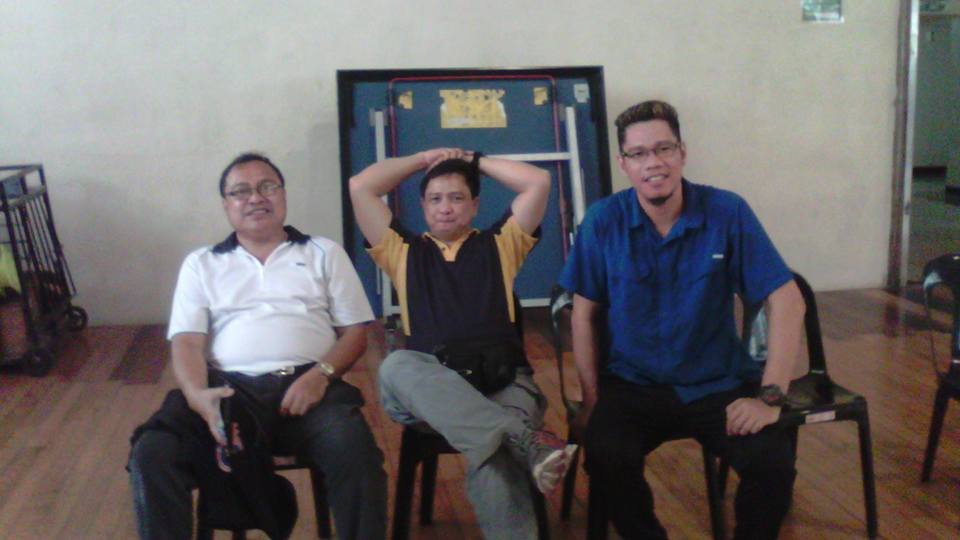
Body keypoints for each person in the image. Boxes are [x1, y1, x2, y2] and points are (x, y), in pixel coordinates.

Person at [559, 100, 806, 539]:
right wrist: (593, 402)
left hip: (717, 384)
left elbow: (788, 301)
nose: (653, 163)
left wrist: (770, 398)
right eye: (638, 153)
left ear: (682, 153)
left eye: (664, 148)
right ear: (623, 163)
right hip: (633, 385)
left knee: (773, 461)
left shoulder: (726, 211)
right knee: (605, 456)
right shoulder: (603, 221)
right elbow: (584, 316)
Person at [128, 153, 387, 540]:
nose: (255, 198)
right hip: (228, 393)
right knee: (152, 454)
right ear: (226, 205)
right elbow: (187, 341)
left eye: (267, 187)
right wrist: (197, 396)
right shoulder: (202, 263)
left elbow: (355, 333)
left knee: (354, 450)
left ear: (283, 194)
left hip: (308, 389)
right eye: (241, 191)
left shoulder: (323, 252)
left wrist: (321, 376)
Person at [349, 149, 576, 539]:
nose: (445, 208)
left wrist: (474, 159)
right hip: (432, 395)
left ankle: (510, 440)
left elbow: (538, 181)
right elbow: (361, 186)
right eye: (435, 199)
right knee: (396, 365)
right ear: (423, 206)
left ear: (474, 206)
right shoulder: (402, 251)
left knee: (492, 456)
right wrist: (424, 159)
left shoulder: (501, 244)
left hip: (503, 382)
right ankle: (523, 439)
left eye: (457, 198)